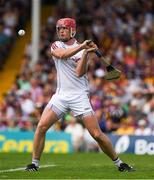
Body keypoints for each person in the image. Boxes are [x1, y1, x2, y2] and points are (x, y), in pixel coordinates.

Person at [25, 18, 134, 172]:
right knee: (41, 126)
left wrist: (86, 53)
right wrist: (83, 46)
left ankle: (120, 163)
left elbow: (79, 72)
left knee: (96, 134)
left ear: (72, 31)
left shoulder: (83, 50)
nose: (61, 31)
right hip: (61, 96)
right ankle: (34, 164)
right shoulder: (56, 45)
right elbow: (62, 55)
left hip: (79, 96)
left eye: (64, 28)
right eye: (59, 28)